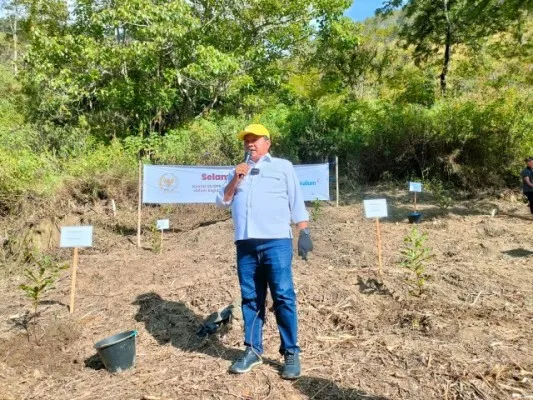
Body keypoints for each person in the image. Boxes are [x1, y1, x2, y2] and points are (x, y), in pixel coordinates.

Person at [215, 123, 313, 380]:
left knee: (282, 296)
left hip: (276, 242)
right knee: (250, 298)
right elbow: (222, 200)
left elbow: (296, 200)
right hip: (245, 244)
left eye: (255, 139)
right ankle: (252, 350)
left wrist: (303, 232)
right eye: (246, 140)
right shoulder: (238, 171)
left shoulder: (282, 166)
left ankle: (290, 352)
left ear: (267, 143)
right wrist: (236, 179)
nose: (250, 144)